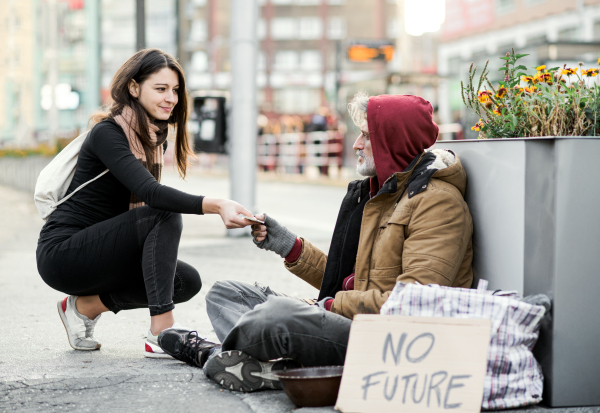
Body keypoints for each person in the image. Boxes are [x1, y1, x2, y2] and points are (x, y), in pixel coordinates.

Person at [158, 92, 474, 392]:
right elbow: (347, 280)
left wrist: (328, 306)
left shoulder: (437, 203)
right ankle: (275, 367)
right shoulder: (382, 194)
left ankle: (212, 354)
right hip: (348, 319)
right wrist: (288, 246)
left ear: (394, 141)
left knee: (276, 315)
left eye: (366, 135)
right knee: (224, 294)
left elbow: (415, 303)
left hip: (387, 340)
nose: (356, 144)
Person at [36, 49, 252, 357]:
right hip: (64, 254)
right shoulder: (107, 133)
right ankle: (161, 332)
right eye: (161, 89)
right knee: (162, 214)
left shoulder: (153, 138)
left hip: (105, 251)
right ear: (134, 88)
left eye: (175, 90)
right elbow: (150, 194)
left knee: (184, 281)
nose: (171, 98)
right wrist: (216, 205)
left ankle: (83, 308)